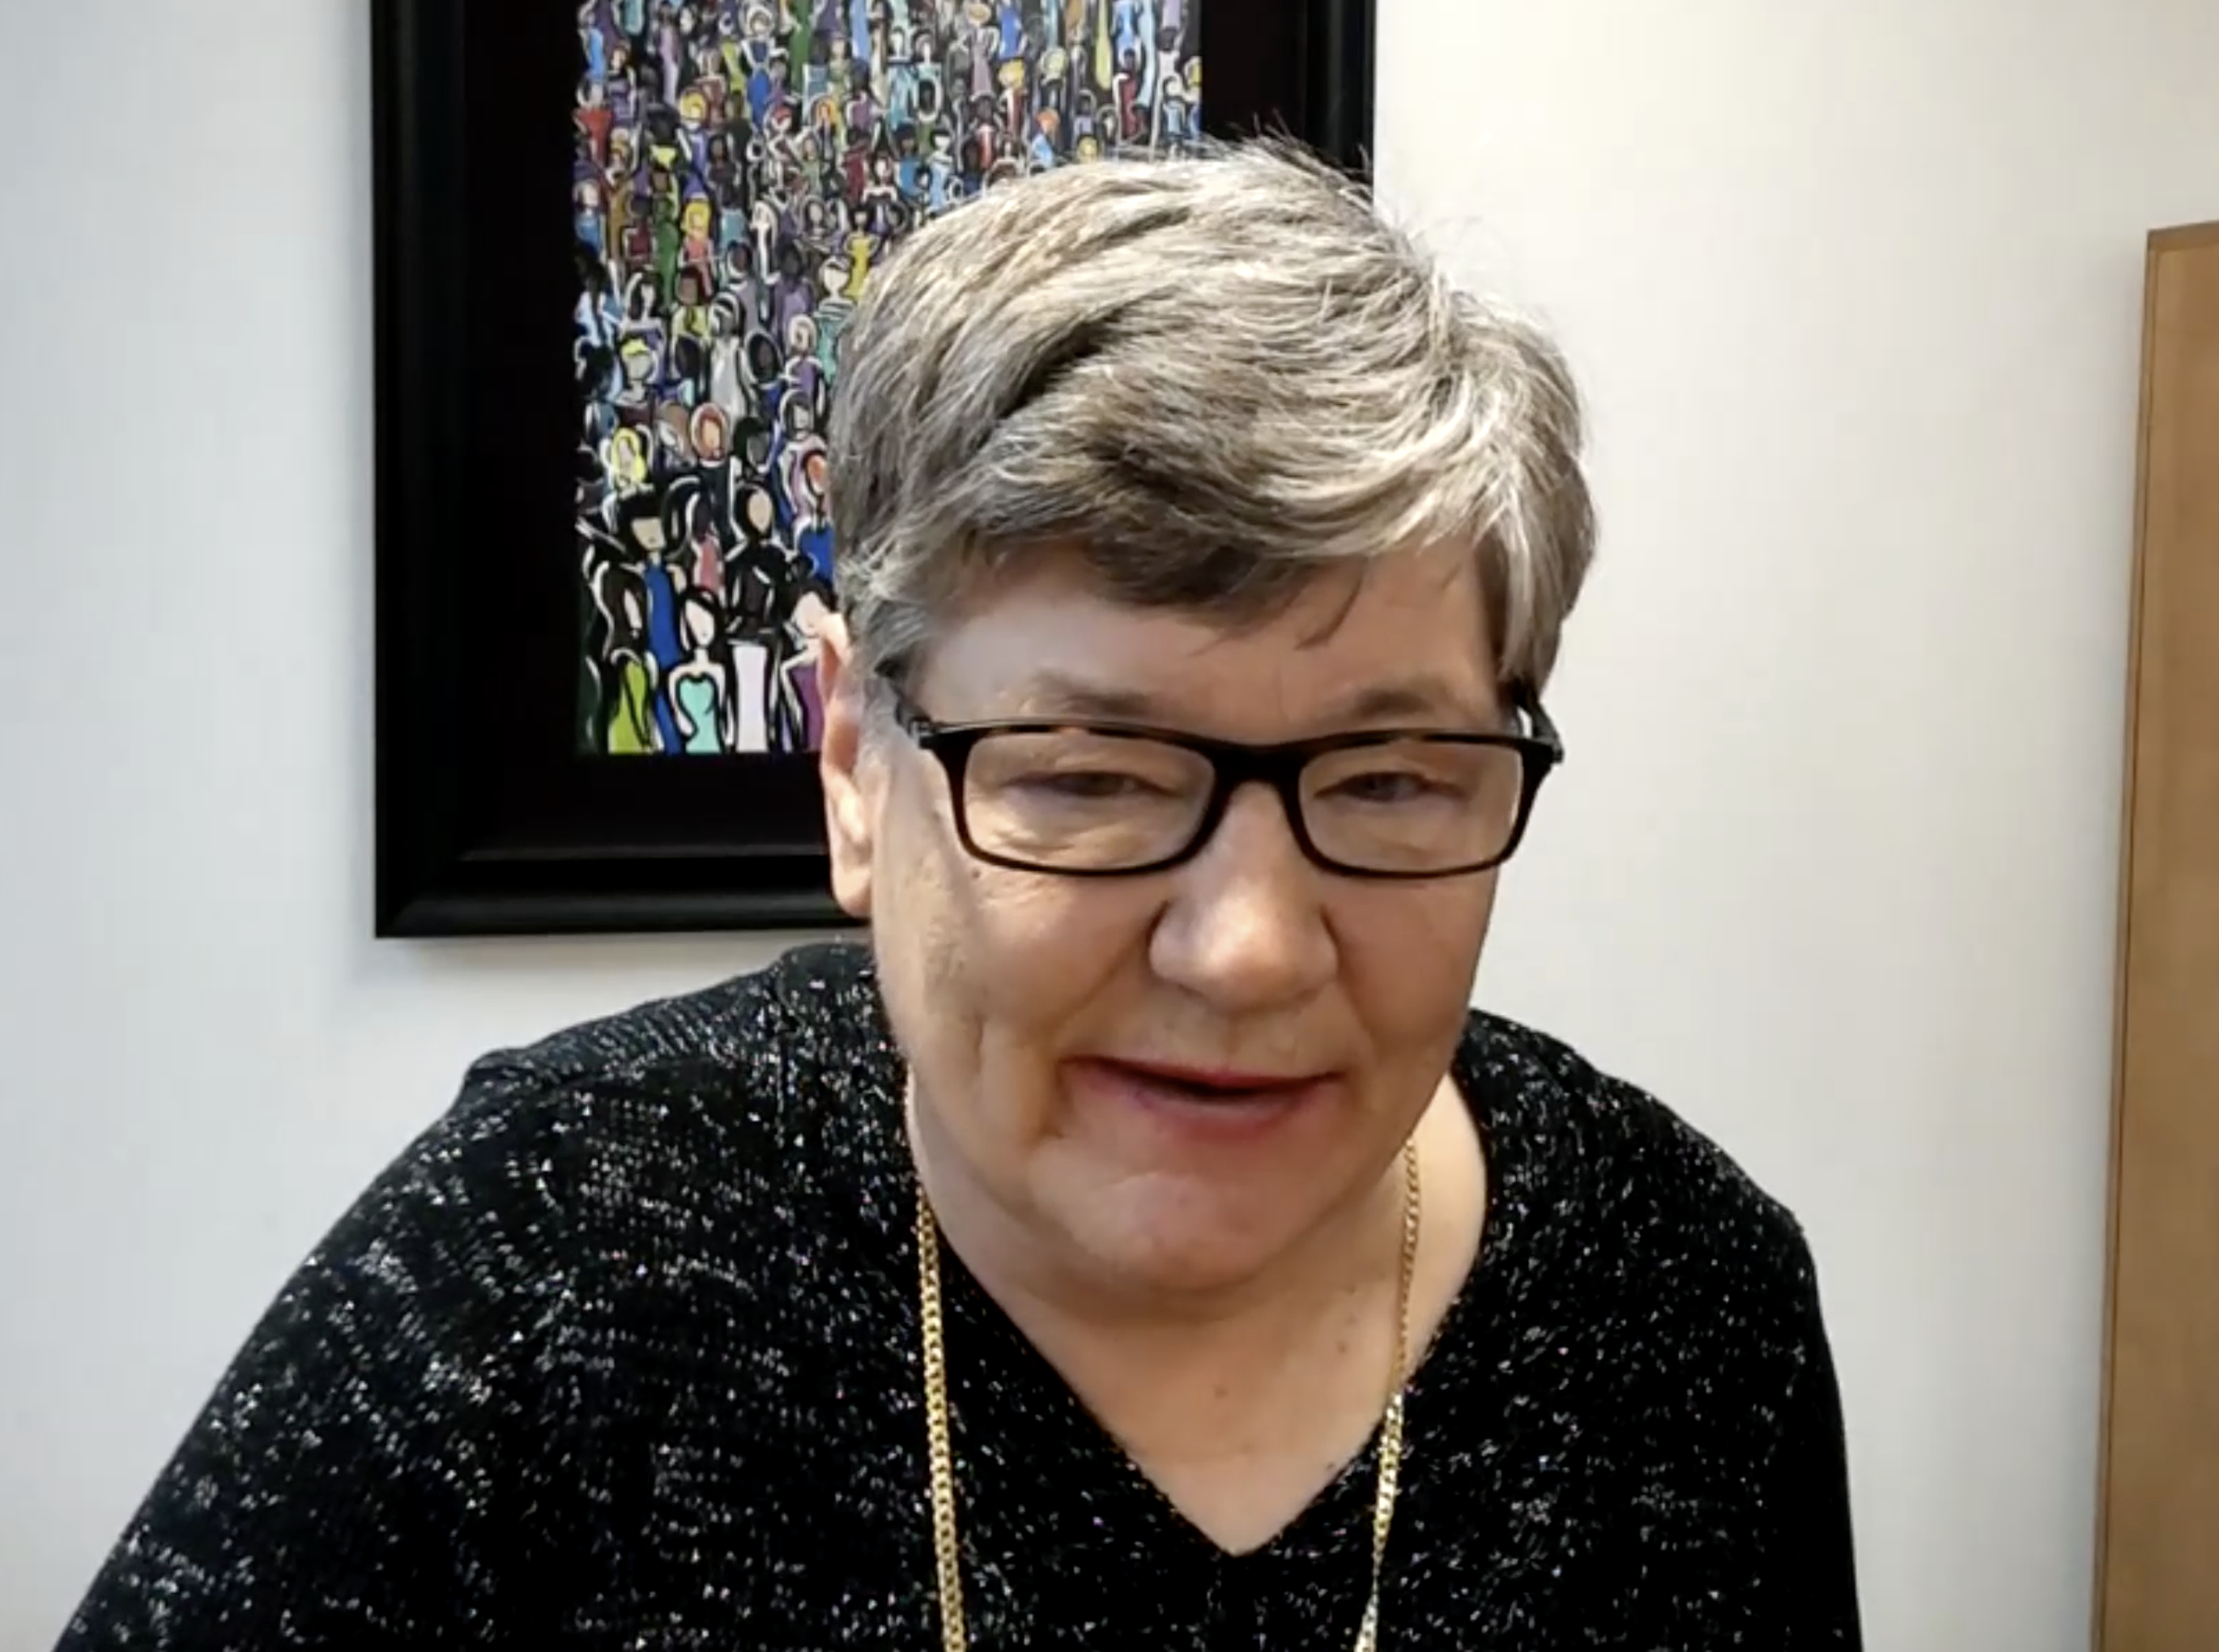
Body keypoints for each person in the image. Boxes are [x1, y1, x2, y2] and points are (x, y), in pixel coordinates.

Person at [57, 143, 1862, 1649]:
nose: (1244, 947)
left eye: (1388, 781)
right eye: (1084, 776)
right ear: (853, 760)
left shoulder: (1687, 1309)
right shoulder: (555, 1260)